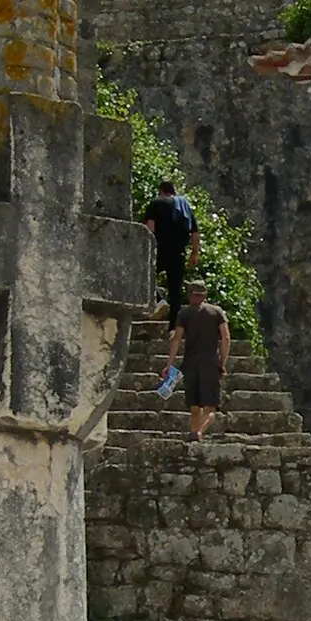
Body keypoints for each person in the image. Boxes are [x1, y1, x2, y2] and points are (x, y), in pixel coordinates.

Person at [171, 276, 230, 447]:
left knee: (194, 405)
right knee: (210, 408)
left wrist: (170, 363)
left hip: (190, 363)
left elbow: (176, 338)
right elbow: (225, 337)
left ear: (189, 295)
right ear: (204, 295)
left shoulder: (183, 313)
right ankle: (198, 432)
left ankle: (194, 434)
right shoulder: (216, 312)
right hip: (210, 364)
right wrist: (222, 361)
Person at [141, 178, 199, 325]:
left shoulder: (156, 203)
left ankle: (159, 300)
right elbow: (195, 233)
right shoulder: (185, 206)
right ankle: (174, 328)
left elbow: (150, 228)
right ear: (174, 191)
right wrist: (194, 253)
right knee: (175, 290)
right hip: (179, 252)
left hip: (160, 249)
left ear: (160, 191)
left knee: (145, 275)